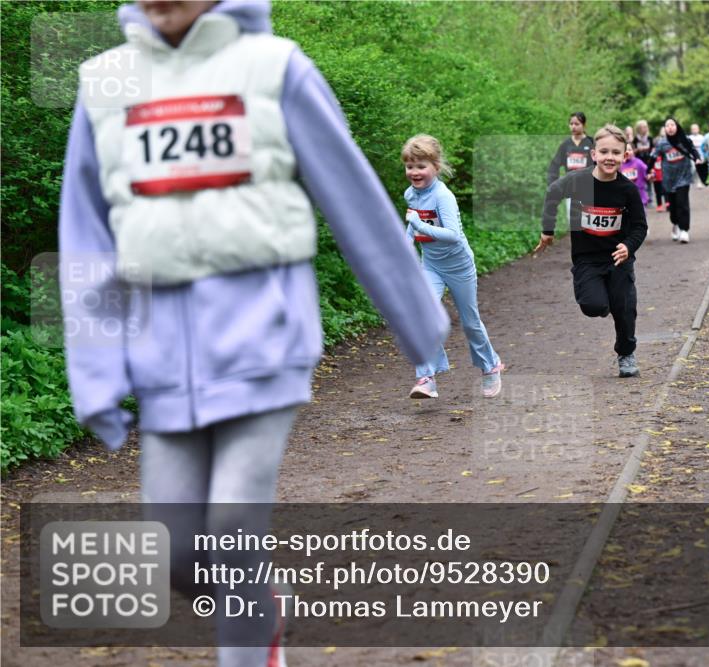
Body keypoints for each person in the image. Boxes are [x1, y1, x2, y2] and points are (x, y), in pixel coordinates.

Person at [58, 2, 448, 666]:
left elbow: (352, 196)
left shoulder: (274, 69)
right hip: (160, 365)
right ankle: (261, 605)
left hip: (263, 343)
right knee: (177, 551)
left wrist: (419, 325)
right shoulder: (106, 82)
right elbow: (85, 236)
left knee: (234, 522)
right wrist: (96, 370)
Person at [533, 125, 648, 378]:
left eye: (616, 153)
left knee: (625, 308)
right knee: (593, 306)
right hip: (587, 259)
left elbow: (640, 226)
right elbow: (552, 193)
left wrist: (628, 246)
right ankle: (602, 301)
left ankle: (626, 353)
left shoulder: (627, 190)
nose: (610, 157)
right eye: (604, 151)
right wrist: (547, 231)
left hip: (618, 260)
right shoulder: (578, 181)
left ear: (624, 155)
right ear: (593, 154)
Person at [403, 134, 503, 399]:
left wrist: (419, 225)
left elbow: (453, 234)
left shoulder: (443, 196)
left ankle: (490, 366)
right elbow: (413, 228)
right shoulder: (410, 194)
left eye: (421, 165)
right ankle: (426, 378)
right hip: (431, 265)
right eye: (410, 166)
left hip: (459, 266)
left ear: (436, 166)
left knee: (470, 323)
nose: (414, 172)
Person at [652, 118, 701, 243]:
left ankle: (684, 230)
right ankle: (675, 224)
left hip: (684, 177)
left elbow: (693, 150)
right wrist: (648, 170)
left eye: (672, 124)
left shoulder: (684, 140)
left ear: (677, 126)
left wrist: (697, 159)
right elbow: (653, 157)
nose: (670, 127)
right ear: (665, 129)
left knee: (682, 203)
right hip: (669, 179)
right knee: (673, 207)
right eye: (667, 125)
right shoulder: (662, 143)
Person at [548, 112, 595, 227]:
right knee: (572, 220)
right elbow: (554, 164)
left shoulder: (591, 143)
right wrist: (552, 183)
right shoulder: (566, 145)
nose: (573, 126)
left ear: (584, 125)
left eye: (577, 124)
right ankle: (578, 244)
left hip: (589, 185)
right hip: (572, 186)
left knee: (590, 219)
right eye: (571, 124)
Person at [633, 119, 655, 203]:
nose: (644, 129)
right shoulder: (635, 140)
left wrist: (649, 149)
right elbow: (632, 151)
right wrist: (638, 150)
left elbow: (653, 149)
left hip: (648, 161)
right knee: (641, 181)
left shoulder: (649, 138)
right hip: (639, 163)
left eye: (645, 127)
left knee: (649, 179)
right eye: (642, 127)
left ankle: (650, 198)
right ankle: (642, 198)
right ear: (638, 129)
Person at [620, 143, 649, 207]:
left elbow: (647, 172)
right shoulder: (619, 165)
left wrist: (651, 175)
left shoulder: (639, 163)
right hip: (625, 196)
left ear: (634, 151)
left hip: (639, 194)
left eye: (629, 150)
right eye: (625, 150)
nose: (627, 152)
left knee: (640, 215)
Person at [651, 124, 669, 212]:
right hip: (655, 176)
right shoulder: (653, 154)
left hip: (664, 175)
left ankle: (668, 204)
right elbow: (650, 163)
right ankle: (659, 205)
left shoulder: (665, 153)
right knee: (657, 192)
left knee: (666, 190)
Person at [688, 123, 709, 188]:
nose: (694, 130)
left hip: (701, 156)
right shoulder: (689, 138)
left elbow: (705, 147)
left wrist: (706, 155)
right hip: (692, 157)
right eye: (693, 129)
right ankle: (692, 180)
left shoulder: (702, 137)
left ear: (698, 129)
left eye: (696, 129)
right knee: (693, 168)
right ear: (691, 130)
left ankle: (699, 182)